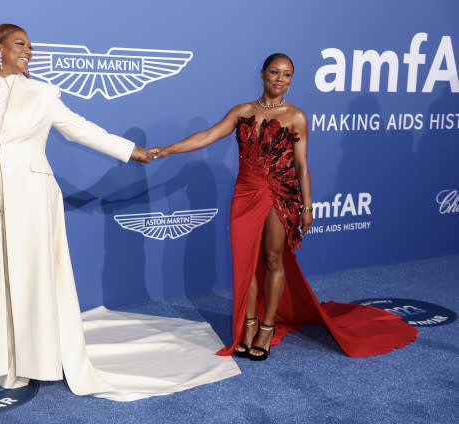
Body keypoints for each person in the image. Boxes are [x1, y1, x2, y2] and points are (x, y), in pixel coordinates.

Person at [0, 24, 239, 401]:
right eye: (20, 44)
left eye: (30, 46)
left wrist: (131, 150)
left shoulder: (42, 94)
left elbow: (80, 129)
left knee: (30, 278)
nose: (28, 51)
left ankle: (25, 363)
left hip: (32, 198)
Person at [151, 53, 417, 360]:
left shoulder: (297, 117)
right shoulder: (242, 111)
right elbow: (209, 135)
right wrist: (168, 150)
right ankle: (247, 325)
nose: (280, 79)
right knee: (246, 263)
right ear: (262, 73)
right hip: (245, 194)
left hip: (279, 195)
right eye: (275, 72)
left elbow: (302, 166)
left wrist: (307, 207)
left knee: (272, 258)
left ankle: (266, 328)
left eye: (287, 75)